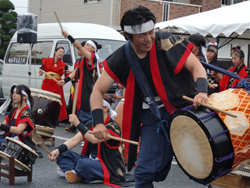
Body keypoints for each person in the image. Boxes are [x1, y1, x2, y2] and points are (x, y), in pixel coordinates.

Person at [90, 6, 208, 188]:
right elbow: (97, 91)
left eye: (150, 32)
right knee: (144, 173)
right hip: (155, 118)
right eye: (141, 35)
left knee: (209, 163)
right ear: (127, 36)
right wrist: (98, 123)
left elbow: (196, 67)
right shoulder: (122, 56)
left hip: (187, 110)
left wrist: (202, 91)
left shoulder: (166, 41)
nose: (148, 38)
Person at [49, 94, 126, 186]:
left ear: (105, 108)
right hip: (90, 160)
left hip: (108, 164)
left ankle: (76, 171)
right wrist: (57, 150)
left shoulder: (113, 126)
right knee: (62, 154)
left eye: (95, 108)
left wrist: (77, 123)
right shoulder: (91, 124)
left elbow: (94, 139)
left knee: (83, 164)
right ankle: (77, 173)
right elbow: (74, 140)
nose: (92, 111)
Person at [59, 32, 102, 133]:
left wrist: (68, 36)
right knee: (82, 118)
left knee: (87, 120)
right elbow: (75, 72)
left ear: (93, 49)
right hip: (81, 92)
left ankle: (91, 139)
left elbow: (79, 46)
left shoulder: (91, 57)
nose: (84, 46)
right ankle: (87, 138)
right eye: (85, 44)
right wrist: (64, 81)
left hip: (88, 92)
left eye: (87, 45)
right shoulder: (82, 61)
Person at [0, 85, 36, 150]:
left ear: (25, 96)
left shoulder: (27, 112)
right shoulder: (14, 110)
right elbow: (3, 126)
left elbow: (18, 130)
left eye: (17, 93)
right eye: (13, 93)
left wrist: (1, 126)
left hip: (20, 142)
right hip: (10, 139)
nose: (14, 95)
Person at [39, 47, 68, 123]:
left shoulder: (64, 65)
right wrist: (41, 71)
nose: (61, 53)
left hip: (56, 85)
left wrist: (63, 81)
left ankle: (55, 118)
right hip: (46, 83)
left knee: (55, 103)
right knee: (45, 101)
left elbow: (67, 76)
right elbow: (42, 68)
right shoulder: (47, 60)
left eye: (62, 52)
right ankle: (44, 116)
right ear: (55, 52)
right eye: (60, 51)